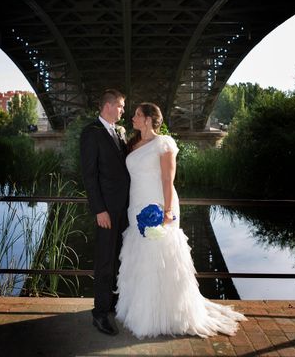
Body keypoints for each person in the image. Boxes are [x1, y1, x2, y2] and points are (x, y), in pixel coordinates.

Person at [115, 102, 246, 339]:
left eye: (136, 115)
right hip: (136, 205)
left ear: (147, 119)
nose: (132, 118)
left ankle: (163, 316)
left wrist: (166, 212)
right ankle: (140, 309)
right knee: (140, 256)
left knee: (160, 256)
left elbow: (167, 179)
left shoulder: (164, 143)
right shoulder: (134, 144)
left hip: (157, 204)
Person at [80, 89, 130, 336]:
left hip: (124, 210)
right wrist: (99, 209)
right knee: (104, 261)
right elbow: (89, 176)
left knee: (119, 258)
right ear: (108, 106)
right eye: (120, 106)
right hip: (107, 211)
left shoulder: (119, 131)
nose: (123, 110)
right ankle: (99, 313)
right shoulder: (92, 133)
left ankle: (110, 305)